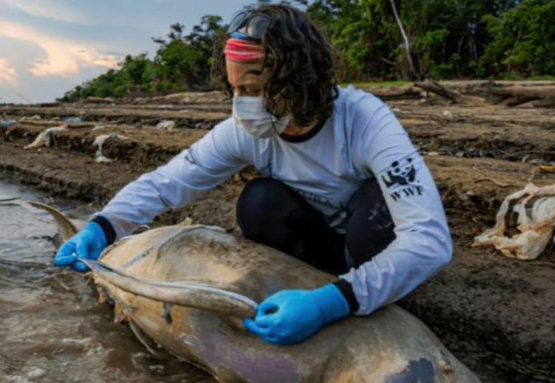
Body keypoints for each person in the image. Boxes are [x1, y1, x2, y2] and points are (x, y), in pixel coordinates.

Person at [54, 4, 452, 346]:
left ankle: (366, 294)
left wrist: (333, 302)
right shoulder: (246, 130)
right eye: (236, 90)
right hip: (316, 246)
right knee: (259, 201)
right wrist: (103, 227)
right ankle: (304, 292)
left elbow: (429, 240)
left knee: (377, 207)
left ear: (301, 79)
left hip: (365, 242)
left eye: (256, 88)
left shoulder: (365, 121)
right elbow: (169, 182)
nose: (245, 105)